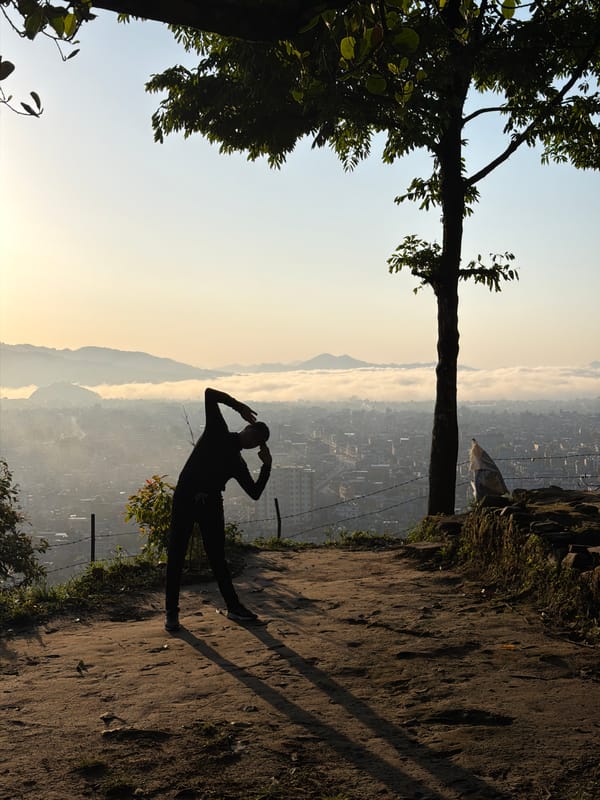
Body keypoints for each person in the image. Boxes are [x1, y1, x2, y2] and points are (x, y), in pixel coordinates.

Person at [165, 387, 272, 632]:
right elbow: (209, 393)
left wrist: (266, 467)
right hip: (186, 498)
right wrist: (239, 406)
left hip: (210, 503)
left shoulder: (238, 462)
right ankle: (172, 613)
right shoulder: (217, 431)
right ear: (246, 427)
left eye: (256, 442)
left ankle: (233, 607)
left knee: (217, 559)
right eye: (252, 435)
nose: (251, 441)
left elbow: (254, 493)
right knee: (176, 555)